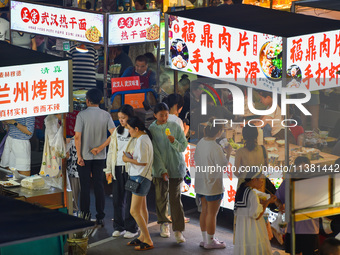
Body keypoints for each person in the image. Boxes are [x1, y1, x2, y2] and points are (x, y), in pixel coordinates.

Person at [74, 88, 115, 225]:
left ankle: (85, 215)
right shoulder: (106, 115)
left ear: (87, 100)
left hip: (84, 156)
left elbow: (77, 137)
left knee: (85, 187)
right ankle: (100, 216)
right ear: (100, 100)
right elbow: (114, 134)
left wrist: (79, 155)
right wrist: (100, 148)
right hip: (100, 156)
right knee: (99, 186)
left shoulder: (81, 115)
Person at [149, 103, 188, 243]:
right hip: (160, 170)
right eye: (161, 115)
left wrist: (174, 141)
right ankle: (164, 224)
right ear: (155, 115)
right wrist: (161, 170)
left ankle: (178, 231)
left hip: (176, 168)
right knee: (161, 198)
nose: (164, 117)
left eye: (166, 114)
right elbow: (155, 152)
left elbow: (183, 146)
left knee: (175, 200)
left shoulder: (175, 126)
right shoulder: (152, 129)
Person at [194, 119, 231, 249]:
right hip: (213, 185)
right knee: (212, 214)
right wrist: (229, 152)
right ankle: (210, 242)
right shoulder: (216, 147)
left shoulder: (200, 143)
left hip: (201, 183)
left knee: (204, 211)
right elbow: (223, 165)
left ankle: (205, 239)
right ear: (219, 132)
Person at [104, 105, 138, 239]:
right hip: (118, 169)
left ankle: (132, 228)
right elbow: (111, 152)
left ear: (130, 116)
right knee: (117, 199)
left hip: (131, 171)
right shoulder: (117, 131)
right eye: (119, 118)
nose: (121, 120)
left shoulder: (136, 131)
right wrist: (108, 170)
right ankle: (119, 226)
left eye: (123, 118)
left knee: (131, 200)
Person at [275, 156, 320, 255]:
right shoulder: (288, 182)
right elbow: (277, 198)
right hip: (292, 229)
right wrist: (280, 206)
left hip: (310, 229)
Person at [123, 116, 154, 251]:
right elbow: (143, 159)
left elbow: (143, 161)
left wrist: (127, 159)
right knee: (142, 208)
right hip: (142, 177)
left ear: (136, 129)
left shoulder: (142, 140)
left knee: (134, 210)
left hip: (140, 177)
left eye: (130, 129)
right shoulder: (144, 137)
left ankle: (147, 239)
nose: (129, 132)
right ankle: (143, 236)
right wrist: (133, 157)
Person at [234, 170, 277, 254]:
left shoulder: (241, 190)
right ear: (254, 179)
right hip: (252, 228)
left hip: (242, 228)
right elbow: (256, 216)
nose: (262, 182)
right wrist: (268, 202)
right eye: (261, 180)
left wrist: (265, 201)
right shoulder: (252, 194)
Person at [39, 114, 64, 184]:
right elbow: (52, 142)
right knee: (54, 174)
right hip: (53, 152)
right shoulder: (51, 119)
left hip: (55, 151)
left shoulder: (53, 119)